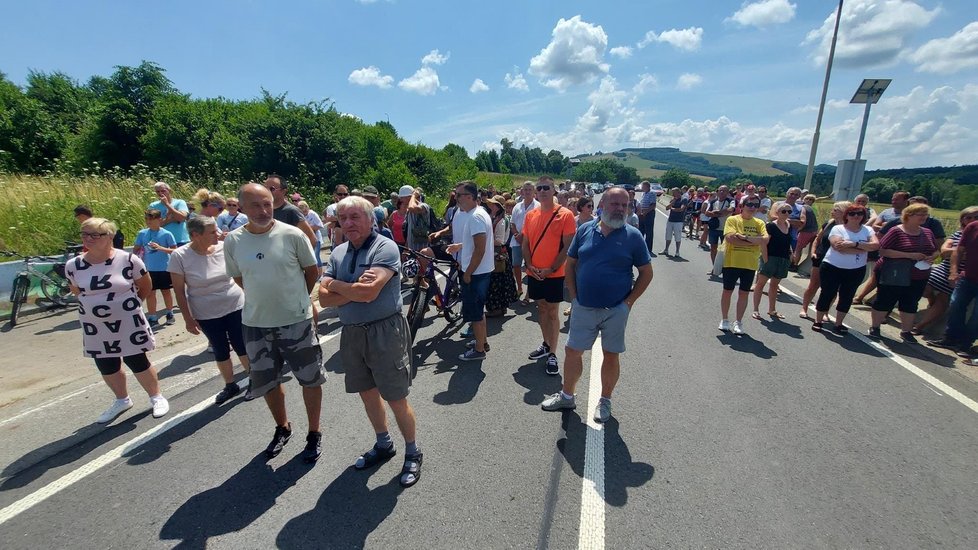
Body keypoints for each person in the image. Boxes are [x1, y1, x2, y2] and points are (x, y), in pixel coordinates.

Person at [318, 196, 423, 487]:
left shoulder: (385, 247)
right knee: (367, 394)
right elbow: (322, 299)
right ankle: (383, 443)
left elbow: (367, 294)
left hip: (384, 331)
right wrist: (348, 289)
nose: (348, 223)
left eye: (355, 217)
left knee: (395, 397)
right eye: (343, 218)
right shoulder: (338, 252)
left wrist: (336, 285)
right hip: (352, 332)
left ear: (370, 219)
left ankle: (413, 451)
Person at [224, 183, 325, 463]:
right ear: (241, 208)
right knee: (267, 381)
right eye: (255, 205)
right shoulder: (233, 240)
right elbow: (239, 278)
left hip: (296, 321)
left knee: (311, 378)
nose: (263, 210)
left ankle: (314, 432)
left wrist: (296, 300)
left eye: (267, 203)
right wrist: (262, 300)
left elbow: (311, 271)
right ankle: (282, 427)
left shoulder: (292, 235)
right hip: (256, 324)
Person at [540, 187, 653, 422]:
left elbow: (646, 272)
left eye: (625, 205)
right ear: (602, 204)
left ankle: (605, 401)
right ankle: (567, 396)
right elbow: (570, 263)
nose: (621, 209)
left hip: (616, 309)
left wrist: (628, 303)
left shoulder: (633, 236)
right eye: (615, 204)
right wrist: (574, 294)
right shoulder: (584, 230)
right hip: (584, 306)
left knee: (611, 355)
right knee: (573, 351)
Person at [65, 218, 169, 424]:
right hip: (95, 326)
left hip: (128, 322)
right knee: (106, 364)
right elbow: (77, 292)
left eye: (94, 234)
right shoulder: (73, 266)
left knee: (137, 360)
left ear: (110, 236)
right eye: (84, 234)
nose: (88, 239)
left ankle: (156, 397)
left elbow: (145, 286)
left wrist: (130, 305)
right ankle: (122, 400)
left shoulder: (129, 260)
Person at [169, 215, 250, 404]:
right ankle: (230, 384)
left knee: (241, 344)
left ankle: (253, 379)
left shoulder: (224, 248)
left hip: (235, 305)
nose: (218, 234)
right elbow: (179, 292)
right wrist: (188, 318)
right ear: (196, 235)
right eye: (212, 232)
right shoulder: (179, 256)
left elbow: (241, 274)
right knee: (220, 349)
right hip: (206, 312)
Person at [522, 176, 576, 375]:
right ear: (536, 192)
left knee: (553, 312)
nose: (543, 191)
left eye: (547, 187)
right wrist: (529, 265)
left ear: (554, 190)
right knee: (542, 308)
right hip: (534, 271)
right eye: (540, 188)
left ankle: (553, 353)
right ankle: (546, 344)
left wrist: (551, 269)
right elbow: (526, 244)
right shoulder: (531, 215)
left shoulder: (565, 214)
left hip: (554, 273)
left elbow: (567, 245)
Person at [868, 203, 939, 341]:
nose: (924, 217)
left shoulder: (927, 232)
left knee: (911, 302)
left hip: (919, 275)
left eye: (926, 214)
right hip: (895, 273)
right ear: (909, 215)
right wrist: (910, 255)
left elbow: (936, 250)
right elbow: (883, 251)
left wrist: (932, 257)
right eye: (921, 214)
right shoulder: (896, 231)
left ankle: (906, 331)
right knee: (885, 300)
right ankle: (875, 326)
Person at [445, 182, 495, 360]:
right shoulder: (476, 214)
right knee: (478, 310)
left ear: (470, 196)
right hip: (479, 270)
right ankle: (483, 342)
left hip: (475, 272)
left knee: (475, 313)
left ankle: (479, 350)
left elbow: (480, 249)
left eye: (459, 194)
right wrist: (460, 245)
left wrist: (468, 273)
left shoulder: (475, 217)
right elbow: (476, 244)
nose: (456, 197)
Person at [812, 205, 878, 333]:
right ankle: (818, 321)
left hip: (856, 269)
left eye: (859, 213)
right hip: (832, 266)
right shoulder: (838, 228)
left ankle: (838, 323)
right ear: (846, 215)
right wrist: (864, 247)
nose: (856, 216)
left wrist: (854, 244)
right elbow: (838, 247)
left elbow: (875, 245)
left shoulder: (868, 230)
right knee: (827, 293)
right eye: (852, 213)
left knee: (847, 296)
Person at [914, 208, 978, 335]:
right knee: (923, 288)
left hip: (962, 273)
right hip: (943, 269)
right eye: (968, 217)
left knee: (943, 300)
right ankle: (931, 301)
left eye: (975, 217)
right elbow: (944, 251)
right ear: (962, 220)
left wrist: (956, 252)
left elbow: (962, 253)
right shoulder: (958, 234)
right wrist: (961, 252)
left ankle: (920, 326)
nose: (972, 220)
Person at [927, 216, 978, 357]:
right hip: (967, 277)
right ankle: (950, 338)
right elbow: (959, 251)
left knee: (976, 316)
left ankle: (965, 344)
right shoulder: (973, 227)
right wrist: (954, 271)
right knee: (955, 306)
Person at [718, 198, 768, 335]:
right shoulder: (732, 220)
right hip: (732, 261)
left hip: (750, 264)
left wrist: (742, 237)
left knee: (744, 293)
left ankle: (738, 322)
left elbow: (765, 239)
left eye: (755, 205)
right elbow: (730, 239)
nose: (752, 207)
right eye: (749, 204)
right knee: (727, 291)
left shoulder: (759, 223)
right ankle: (725, 319)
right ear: (742, 206)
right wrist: (754, 242)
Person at [855, 191, 911, 305]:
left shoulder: (909, 215)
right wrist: (886, 226)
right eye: (893, 198)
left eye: (896, 199)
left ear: (905, 201)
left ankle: (881, 304)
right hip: (882, 247)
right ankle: (861, 297)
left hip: (900, 252)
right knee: (877, 273)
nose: (893, 201)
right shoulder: (886, 212)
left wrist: (886, 225)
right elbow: (875, 226)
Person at [800, 202, 850, 319]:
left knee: (832, 289)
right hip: (821, 258)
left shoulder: (849, 227)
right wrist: (813, 252)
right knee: (814, 285)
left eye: (835, 210)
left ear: (843, 212)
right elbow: (817, 239)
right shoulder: (829, 224)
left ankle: (825, 310)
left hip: (838, 260)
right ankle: (804, 307)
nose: (832, 211)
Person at [132, 209, 178, 327]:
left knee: (166, 291)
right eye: (147, 219)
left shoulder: (167, 234)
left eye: (152, 220)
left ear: (159, 220)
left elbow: (175, 250)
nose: (149, 222)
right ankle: (152, 316)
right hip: (148, 269)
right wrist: (139, 251)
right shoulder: (142, 233)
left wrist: (160, 248)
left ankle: (169, 312)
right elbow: (136, 248)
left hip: (164, 268)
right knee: (150, 293)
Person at [751, 202, 792, 321]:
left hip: (783, 258)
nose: (786, 214)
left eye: (789, 211)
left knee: (774, 285)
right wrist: (765, 258)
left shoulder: (788, 225)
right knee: (760, 284)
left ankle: (772, 309)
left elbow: (788, 241)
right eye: (783, 211)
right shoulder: (770, 226)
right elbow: (764, 243)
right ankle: (756, 310)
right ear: (777, 213)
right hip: (771, 257)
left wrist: (791, 253)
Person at [484, 196, 517, 319]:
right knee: (499, 282)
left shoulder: (501, 221)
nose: (490, 206)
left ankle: (496, 309)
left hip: (497, 254)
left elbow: (499, 240)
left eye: (493, 204)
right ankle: (500, 307)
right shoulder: (495, 219)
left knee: (496, 283)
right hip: (496, 253)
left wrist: (484, 241)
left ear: (498, 207)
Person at [263, 175, 317, 247]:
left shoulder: (292, 211)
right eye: (265, 188)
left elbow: (311, 238)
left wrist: (300, 257)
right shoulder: (263, 211)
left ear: (284, 191)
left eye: (272, 189)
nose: (267, 191)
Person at [510, 181, 539, 303]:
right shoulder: (517, 206)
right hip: (517, 241)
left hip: (531, 242)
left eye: (529, 190)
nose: (527, 192)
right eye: (525, 189)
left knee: (530, 267)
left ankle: (528, 294)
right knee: (516, 264)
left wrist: (524, 236)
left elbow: (537, 225)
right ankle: (520, 287)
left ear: (534, 192)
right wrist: (517, 234)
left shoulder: (538, 206)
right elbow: (512, 222)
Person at [148, 181, 190, 246]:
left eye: (163, 191)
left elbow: (182, 218)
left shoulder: (180, 202)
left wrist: (167, 204)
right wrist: (171, 219)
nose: (161, 193)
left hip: (181, 240)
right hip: (162, 241)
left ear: (169, 190)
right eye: (158, 192)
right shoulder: (153, 206)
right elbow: (153, 225)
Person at [705, 186, 736, 267]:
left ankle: (724, 267)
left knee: (725, 250)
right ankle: (715, 267)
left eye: (724, 191)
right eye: (720, 190)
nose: (722, 192)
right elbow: (707, 212)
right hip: (714, 228)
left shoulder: (731, 200)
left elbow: (731, 209)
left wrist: (716, 212)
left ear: (727, 192)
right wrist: (721, 214)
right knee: (713, 248)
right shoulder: (713, 201)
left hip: (726, 229)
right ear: (717, 192)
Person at [791, 194, 820, 269]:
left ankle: (794, 265)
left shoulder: (803, 207)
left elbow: (803, 221)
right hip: (814, 231)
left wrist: (798, 230)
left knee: (798, 249)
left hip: (806, 231)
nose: (809, 201)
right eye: (807, 199)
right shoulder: (812, 209)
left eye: (811, 200)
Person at [297, 201, 325, 269]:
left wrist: (308, 228)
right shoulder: (300, 216)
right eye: (302, 211)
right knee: (310, 258)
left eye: (305, 210)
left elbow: (320, 225)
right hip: (306, 239)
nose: (304, 212)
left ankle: (320, 274)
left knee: (316, 256)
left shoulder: (312, 214)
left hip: (316, 239)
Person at [661, 187, 687, 257]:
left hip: (678, 221)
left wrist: (672, 208)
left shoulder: (683, 199)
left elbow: (681, 209)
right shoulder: (673, 199)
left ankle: (677, 251)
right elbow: (667, 208)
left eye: (674, 192)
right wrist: (673, 201)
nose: (673, 194)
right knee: (668, 235)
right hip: (671, 219)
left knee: (677, 236)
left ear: (678, 192)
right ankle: (666, 249)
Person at [323, 184, 351, 249]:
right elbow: (330, 225)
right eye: (340, 194)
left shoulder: (353, 207)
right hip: (337, 242)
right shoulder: (331, 208)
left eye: (345, 194)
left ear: (348, 195)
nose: (343, 196)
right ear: (335, 195)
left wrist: (336, 220)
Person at [637, 180, 657, 253]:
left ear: (647, 186)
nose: (642, 187)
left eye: (643, 186)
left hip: (649, 213)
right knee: (641, 230)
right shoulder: (644, 193)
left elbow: (653, 205)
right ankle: (641, 247)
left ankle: (648, 249)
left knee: (649, 231)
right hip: (642, 212)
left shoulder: (652, 193)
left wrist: (645, 212)